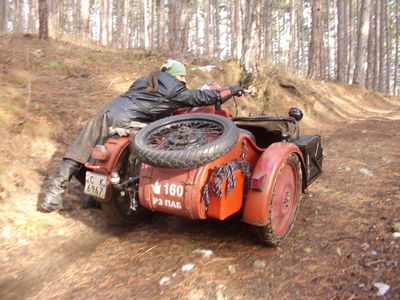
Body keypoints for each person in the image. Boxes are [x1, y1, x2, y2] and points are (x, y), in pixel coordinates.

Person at [38, 59, 244, 212]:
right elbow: (196, 97)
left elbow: (152, 104)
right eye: (183, 77)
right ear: (176, 75)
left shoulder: (146, 80)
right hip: (127, 120)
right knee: (135, 151)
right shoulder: (173, 85)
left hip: (106, 112)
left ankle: (56, 197)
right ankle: (105, 197)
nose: (183, 81)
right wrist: (228, 92)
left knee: (83, 152)